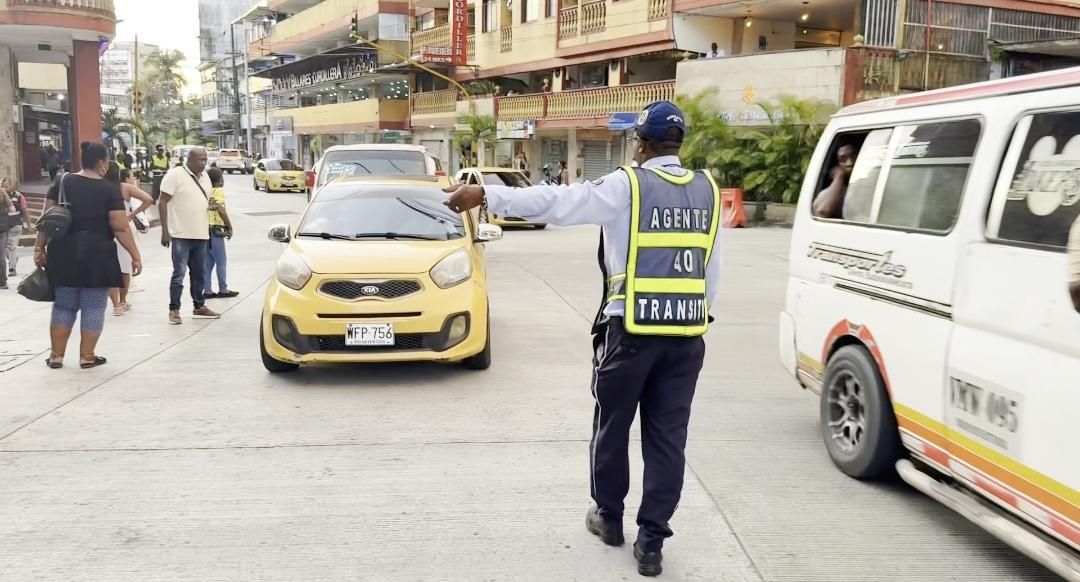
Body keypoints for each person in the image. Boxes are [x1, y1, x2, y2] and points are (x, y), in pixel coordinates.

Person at [445, 101, 722, 578]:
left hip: (630, 334)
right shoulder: (707, 191)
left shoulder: (628, 185)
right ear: (678, 143)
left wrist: (486, 194)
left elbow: (559, 201)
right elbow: (711, 271)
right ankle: (652, 543)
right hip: (686, 337)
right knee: (667, 439)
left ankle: (610, 519)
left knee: (613, 426)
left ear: (641, 143)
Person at [35, 142, 142, 369]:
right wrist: (135, 255)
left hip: (63, 252)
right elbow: (120, 227)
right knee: (93, 306)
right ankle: (87, 356)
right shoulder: (109, 189)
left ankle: (56, 356)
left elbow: (47, 219)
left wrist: (39, 248)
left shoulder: (62, 181)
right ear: (102, 162)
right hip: (98, 254)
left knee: (64, 305)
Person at [159, 146, 220, 325]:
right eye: (200, 159)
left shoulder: (206, 177)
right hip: (180, 234)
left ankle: (199, 306)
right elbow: (162, 201)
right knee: (179, 274)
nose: (204, 163)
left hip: (201, 234)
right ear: (190, 159)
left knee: (199, 273)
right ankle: (174, 310)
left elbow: (205, 200)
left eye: (205, 159)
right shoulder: (175, 175)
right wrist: (165, 230)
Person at [105, 164, 154, 315]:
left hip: (106, 229)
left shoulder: (100, 188)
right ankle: (123, 300)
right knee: (125, 267)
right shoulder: (126, 188)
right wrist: (132, 215)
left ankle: (116, 304)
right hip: (125, 226)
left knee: (110, 267)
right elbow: (148, 199)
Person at [203, 167, 238, 300]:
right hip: (215, 229)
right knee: (221, 261)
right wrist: (229, 226)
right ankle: (223, 289)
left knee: (208, 262)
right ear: (219, 180)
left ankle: (207, 290)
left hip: (205, 229)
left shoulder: (206, 191)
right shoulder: (218, 191)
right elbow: (221, 210)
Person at [812, 143, 857, 219]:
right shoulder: (833, 191)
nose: (850, 162)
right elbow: (823, 210)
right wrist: (839, 176)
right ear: (837, 164)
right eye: (843, 159)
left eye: (853, 156)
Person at [5, 178, 32, 278]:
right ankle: (13, 258)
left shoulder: (19, 196)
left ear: (11, 185)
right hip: (3, 226)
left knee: (12, 246)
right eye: (2, 186)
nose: (4, 188)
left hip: (15, 226)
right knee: (3, 248)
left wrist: (29, 225)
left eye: (6, 186)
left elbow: (24, 211)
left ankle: (12, 268)